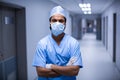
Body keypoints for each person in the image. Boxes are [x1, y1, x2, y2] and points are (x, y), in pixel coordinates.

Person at [32, 6, 83, 80]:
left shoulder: (73, 43)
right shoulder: (42, 43)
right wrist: (66, 69)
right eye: (54, 20)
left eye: (61, 21)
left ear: (65, 23)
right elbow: (40, 72)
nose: (57, 23)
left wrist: (51, 66)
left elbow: (74, 71)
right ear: (50, 22)